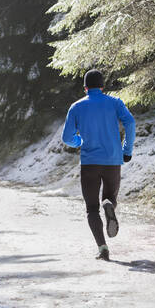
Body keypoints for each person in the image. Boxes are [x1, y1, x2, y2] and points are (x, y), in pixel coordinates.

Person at [62, 69, 135, 261]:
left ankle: (103, 248)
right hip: (113, 161)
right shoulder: (115, 103)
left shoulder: (76, 107)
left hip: (90, 164)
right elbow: (130, 122)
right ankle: (109, 205)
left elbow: (66, 137)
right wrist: (126, 150)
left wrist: (79, 142)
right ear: (102, 86)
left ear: (85, 88)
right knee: (109, 198)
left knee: (91, 209)